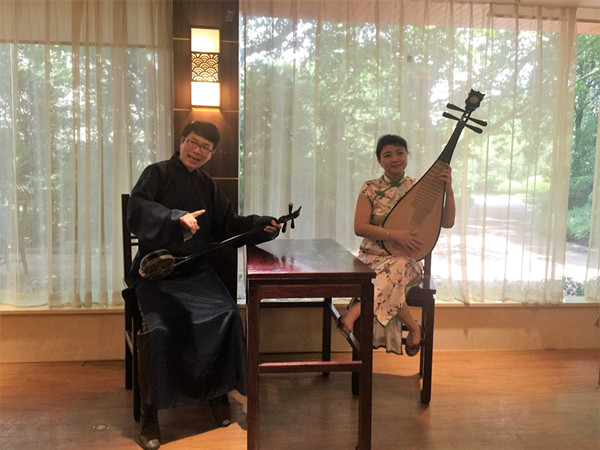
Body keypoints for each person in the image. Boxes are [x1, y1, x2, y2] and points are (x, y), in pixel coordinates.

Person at [124, 121, 281, 450]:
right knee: (158, 330)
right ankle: (150, 413)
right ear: (181, 141)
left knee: (227, 315)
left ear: (211, 154)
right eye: (193, 143)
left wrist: (260, 225)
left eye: (205, 148)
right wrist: (174, 217)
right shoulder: (156, 173)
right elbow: (138, 210)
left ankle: (218, 394)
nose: (197, 151)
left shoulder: (208, 186)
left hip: (195, 272)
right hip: (158, 273)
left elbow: (228, 225)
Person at [338, 134, 455, 355]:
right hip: (371, 259)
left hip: (408, 262)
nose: (395, 159)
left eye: (400, 153)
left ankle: (353, 313)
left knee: (398, 266)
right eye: (388, 155)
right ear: (379, 161)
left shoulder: (417, 187)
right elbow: (359, 227)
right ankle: (414, 327)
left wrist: (448, 189)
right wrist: (394, 235)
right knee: (391, 277)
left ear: (407, 156)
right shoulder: (370, 188)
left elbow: (447, 222)